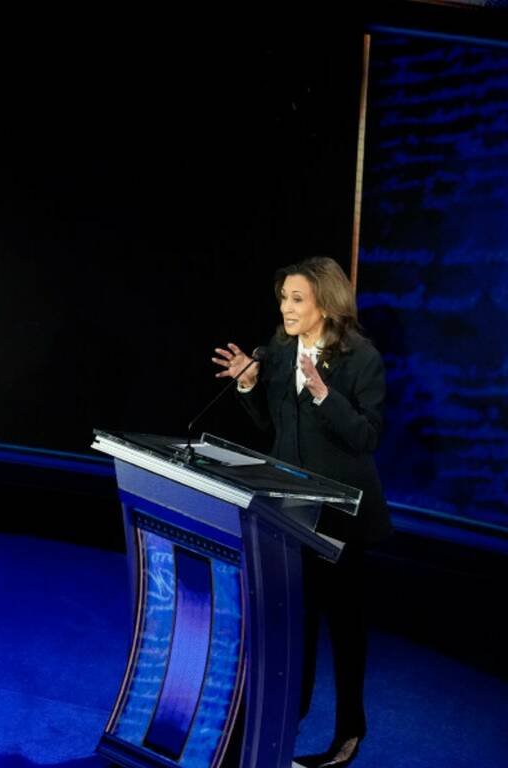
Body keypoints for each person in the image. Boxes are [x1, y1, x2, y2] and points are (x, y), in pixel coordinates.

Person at [212, 256, 392, 768]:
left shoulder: (361, 359)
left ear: (326, 303)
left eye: (296, 299)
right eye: (283, 299)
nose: (286, 308)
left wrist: (322, 393)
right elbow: (273, 427)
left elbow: (367, 437)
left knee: (345, 628)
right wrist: (247, 382)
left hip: (343, 519)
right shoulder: (279, 351)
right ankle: (288, 713)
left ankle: (348, 734)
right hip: (290, 512)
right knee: (296, 620)